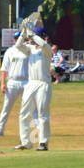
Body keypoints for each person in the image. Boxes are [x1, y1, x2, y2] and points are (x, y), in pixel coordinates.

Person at [14, 19, 53, 151]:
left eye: (33, 37)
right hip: (31, 83)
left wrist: (32, 34)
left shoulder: (47, 49)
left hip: (43, 84)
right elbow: (18, 46)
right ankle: (26, 142)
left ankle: (43, 142)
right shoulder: (30, 49)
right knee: (23, 114)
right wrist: (23, 32)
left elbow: (42, 44)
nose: (30, 40)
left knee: (42, 114)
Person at [0, 31, 28, 138]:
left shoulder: (28, 50)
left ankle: (34, 131)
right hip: (12, 82)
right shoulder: (10, 51)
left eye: (19, 38)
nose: (17, 40)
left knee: (28, 108)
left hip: (26, 82)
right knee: (6, 107)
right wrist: (2, 83)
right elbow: (4, 69)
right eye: (15, 38)